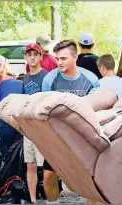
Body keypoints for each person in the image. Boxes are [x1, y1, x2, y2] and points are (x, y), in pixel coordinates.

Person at [42, 40, 100, 204]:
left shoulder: (91, 79)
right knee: (48, 176)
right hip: (56, 137)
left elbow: (98, 110)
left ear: (75, 57)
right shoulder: (49, 79)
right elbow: (43, 110)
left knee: (90, 179)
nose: (59, 62)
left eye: (63, 58)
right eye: (57, 59)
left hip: (83, 137)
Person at [23, 43, 48, 204]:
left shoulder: (46, 76)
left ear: (41, 57)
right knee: (30, 164)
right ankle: (32, 200)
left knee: (45, 167)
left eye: (35, 54)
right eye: (29, 54)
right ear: (25, 57)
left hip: (43, 128)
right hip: (28, 128)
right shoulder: (25, 77)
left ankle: (49, 199)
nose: (32, 57)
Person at [0, 78, 23, 159]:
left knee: (5, 147)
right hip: (21, 119)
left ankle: (5, 166)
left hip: (5, 117)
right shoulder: (27, 84)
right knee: (23, 148)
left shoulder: (4, 83)